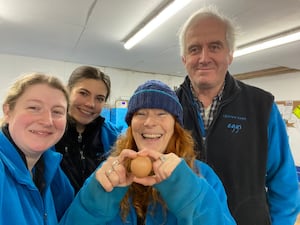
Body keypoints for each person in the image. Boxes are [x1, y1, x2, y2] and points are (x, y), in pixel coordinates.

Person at [175, 6, 300, 225]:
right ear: (184, 58)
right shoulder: (165, 109)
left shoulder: (262, 106)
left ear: (230, 54)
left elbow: (284, 183)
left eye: (214, 46)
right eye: (194, 49)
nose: (204, 57)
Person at [59, 80, 236, 225]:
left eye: (161, 114)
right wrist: (95, 200)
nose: (149, 122)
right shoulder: (110, 173)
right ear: (130, 124)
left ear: (175, 126)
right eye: (141, 114)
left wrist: (188, 193)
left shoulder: (201, 175)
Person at [0, 73, 74, 225]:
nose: (47, 121)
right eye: (34, 108)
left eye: (57, 111)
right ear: (8, 111)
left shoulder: (48, 170)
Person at [55, 65, 120, 193]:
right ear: (67, 92)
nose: (90, 104)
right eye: (83, 93)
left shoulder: (114, 138)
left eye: (99, 98)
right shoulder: (48, 131)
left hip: (96, 211)